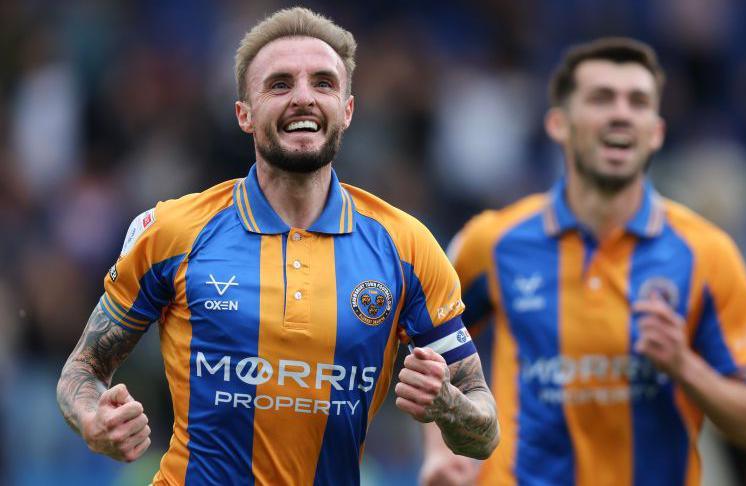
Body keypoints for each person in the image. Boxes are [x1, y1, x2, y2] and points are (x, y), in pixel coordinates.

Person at [56, 7, 499, 485]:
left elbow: (484, 429)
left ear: (347, 111)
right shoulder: (172, 231)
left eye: (324, 83)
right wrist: (92, 419)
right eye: (280, 84)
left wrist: (449, 406)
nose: (303, 98)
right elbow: (82, 369)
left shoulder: (406, 246)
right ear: (244, 114)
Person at [421, 37, 746, 486]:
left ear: (656, 131)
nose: (621, 113)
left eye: (639, 101)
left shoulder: (706, 252)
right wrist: (443, 451)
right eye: (601, 98)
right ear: (558, 124)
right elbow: (431, 353)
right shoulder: (492, 242)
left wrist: (685, 366)